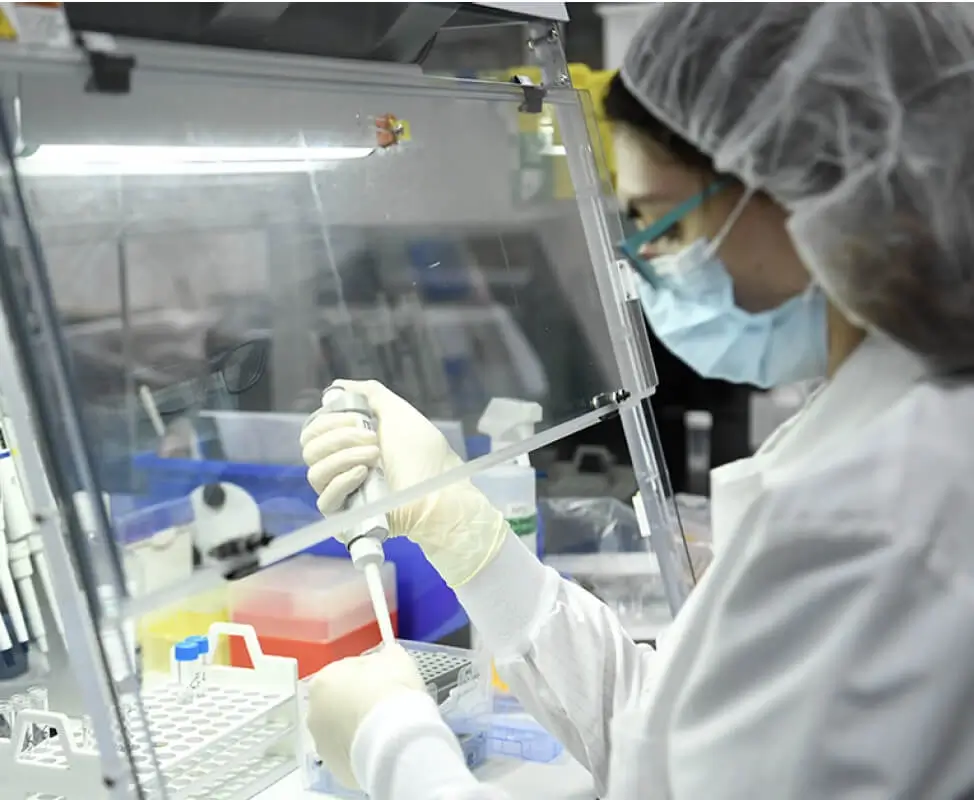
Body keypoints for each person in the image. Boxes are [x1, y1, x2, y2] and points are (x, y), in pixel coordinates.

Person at [299, 4, 974, 798]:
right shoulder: (883, 418)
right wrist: (468, 531)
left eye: (660, 221)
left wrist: (396, 749)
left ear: (800, 188)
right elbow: (679, 742)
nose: (645, 265)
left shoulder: (875, 519)